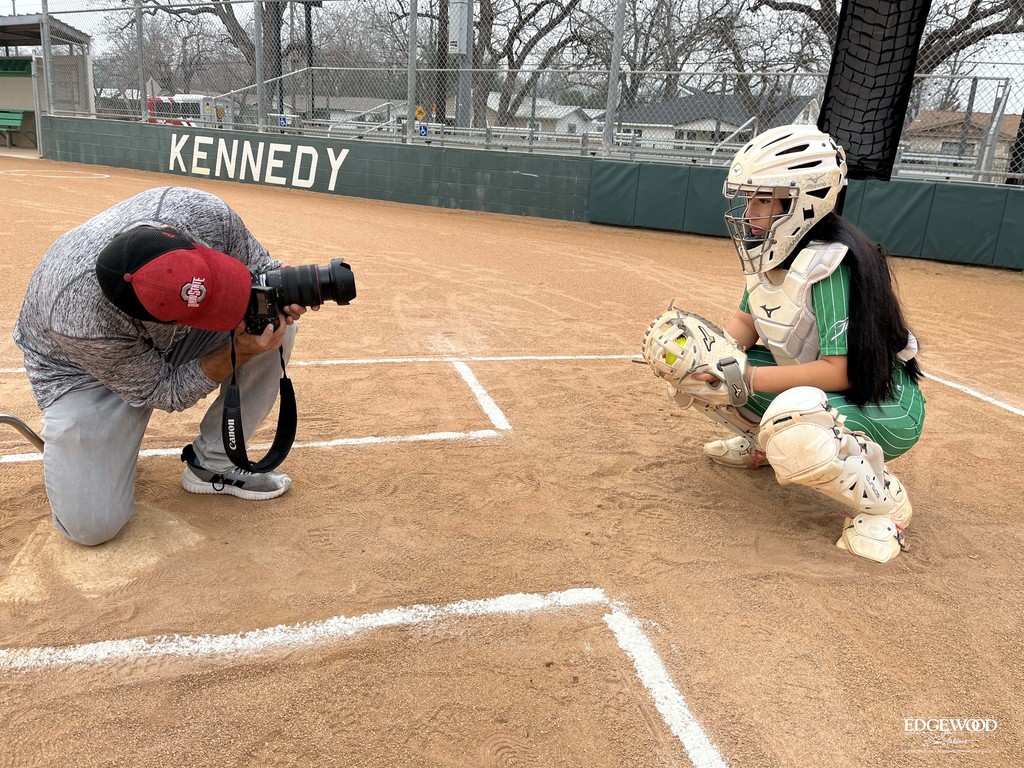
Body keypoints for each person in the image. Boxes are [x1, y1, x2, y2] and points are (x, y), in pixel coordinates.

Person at [643, 124, 925, 563]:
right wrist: (709, 361)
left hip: (884, 403)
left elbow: (841, 370)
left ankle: (883, 503)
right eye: (749, 198)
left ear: (802, 201)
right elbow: (745, 321)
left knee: (789, 420)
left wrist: (748, 376)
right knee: (701, 374)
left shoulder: (830, 264)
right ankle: (763, 446)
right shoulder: (771, 250)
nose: (749, 211)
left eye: (762, 199)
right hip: (827, 385)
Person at [14, 186, 313, 546]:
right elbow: (163, 391)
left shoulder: (199, 211)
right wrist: (237, 351)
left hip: (144, 339)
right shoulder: (78, 316)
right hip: (82, 371)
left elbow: (259, 270)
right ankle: (88, 448)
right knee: (92, 527)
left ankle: (213, 465)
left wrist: (277, 291)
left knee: (268, 326)